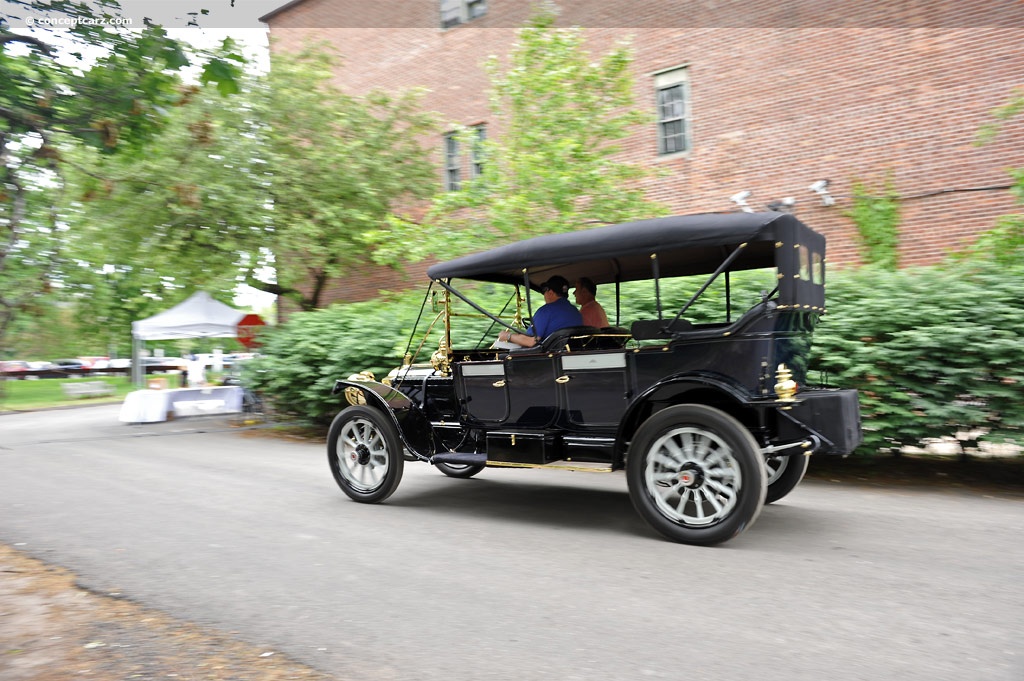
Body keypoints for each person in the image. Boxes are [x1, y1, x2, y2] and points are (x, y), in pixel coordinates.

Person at [497, 275, 582, 349]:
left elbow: (531, 341)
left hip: (547, 359)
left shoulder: (545, 311)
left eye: (545, 292)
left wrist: (508, 336)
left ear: (550, 293)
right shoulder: (576, 312)